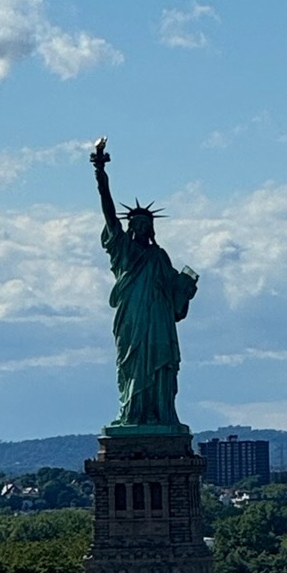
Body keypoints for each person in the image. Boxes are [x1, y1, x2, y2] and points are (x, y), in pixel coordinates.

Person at [91, 138, 198, 428]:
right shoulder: (122, 249)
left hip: (159, 320)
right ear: (129, 227)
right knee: (133, 363)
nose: (139, 229)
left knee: (161, 367)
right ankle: (133, 413)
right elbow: (108, 211)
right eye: (134, 225)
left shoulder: (159, 256)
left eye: (144, 225)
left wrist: (186, 288)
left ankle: (158, 414)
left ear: (150, 229)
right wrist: (100, 171)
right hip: (133, 318)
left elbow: (176, 292)